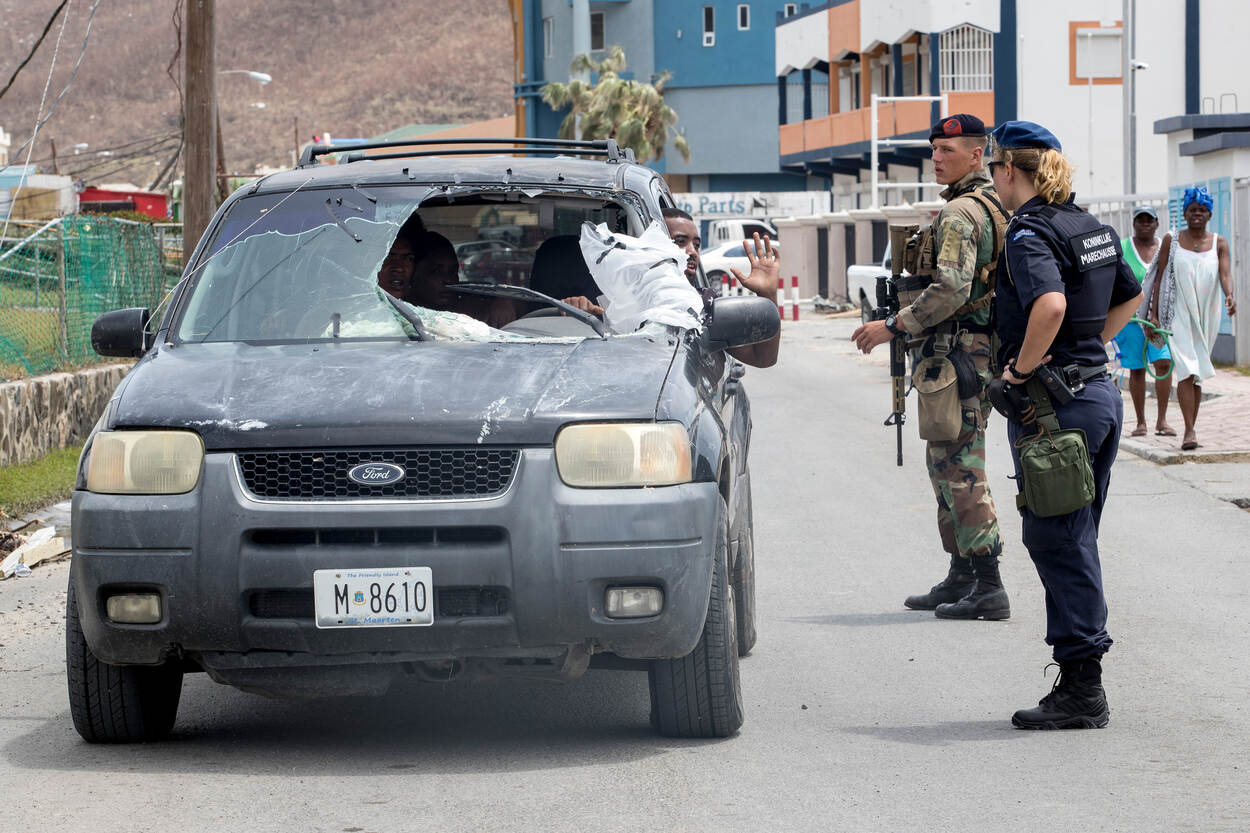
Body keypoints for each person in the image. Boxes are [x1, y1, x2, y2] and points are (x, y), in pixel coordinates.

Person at [987, 120, 1142, 729]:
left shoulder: (1028, 232)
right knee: (1076, 534)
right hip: (1098, 395)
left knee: (1058, 539)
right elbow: (1128, 295)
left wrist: (1020, 374)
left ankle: (1083, 686)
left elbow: (1049, 304)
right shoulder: (1089, 225)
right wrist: (1086, 345)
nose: (995, 181)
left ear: (1009, 171)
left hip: (1056, 410)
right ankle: (1081, 677)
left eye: (997, 170)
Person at [850, 114, 1012, 621]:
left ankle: (989, 584)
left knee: (960, 467)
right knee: (944, 462)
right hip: (962, 353)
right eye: (935, 150)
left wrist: (893, 327)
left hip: (962, 356)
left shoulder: (964, 212)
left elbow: (952, 289)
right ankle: (963, 575)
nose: (937, 158)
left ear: (977, 154)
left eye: (948, 150)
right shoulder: (984, 204)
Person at [1147, 186, 1237, 451]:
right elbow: (1159, 279)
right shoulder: (1171, 240)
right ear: (1184, 212)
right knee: (1186, 368)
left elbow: (1225, 274)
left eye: (1202, 210)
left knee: (1196, 372)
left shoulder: (1219, 242)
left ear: (1209, 214)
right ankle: (1189, 430)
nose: (1197, 214)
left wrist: (1230, 295)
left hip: (1208, 313)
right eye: (1192, 210)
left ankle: (1190, 427)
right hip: (1178, 312)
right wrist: (1154, 314)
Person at [662, 207, 780, 368]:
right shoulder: (622, 298)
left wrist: (767, 293)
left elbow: (763, 358)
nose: (693, 252)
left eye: (696, 245)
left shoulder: (702, 303)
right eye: (680, 242)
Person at [1112, 205, 1173, 437]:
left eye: (1150, 220)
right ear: (1134, 223)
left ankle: (1162, 420)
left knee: (1164, 364)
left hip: (1159, 322)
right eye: (1141, 219)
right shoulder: (1125, 247)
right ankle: (1140, 422)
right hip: (1130, 320)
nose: (1145, 223)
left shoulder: (1164, 248)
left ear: (1157, 224)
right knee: (1137, 369)